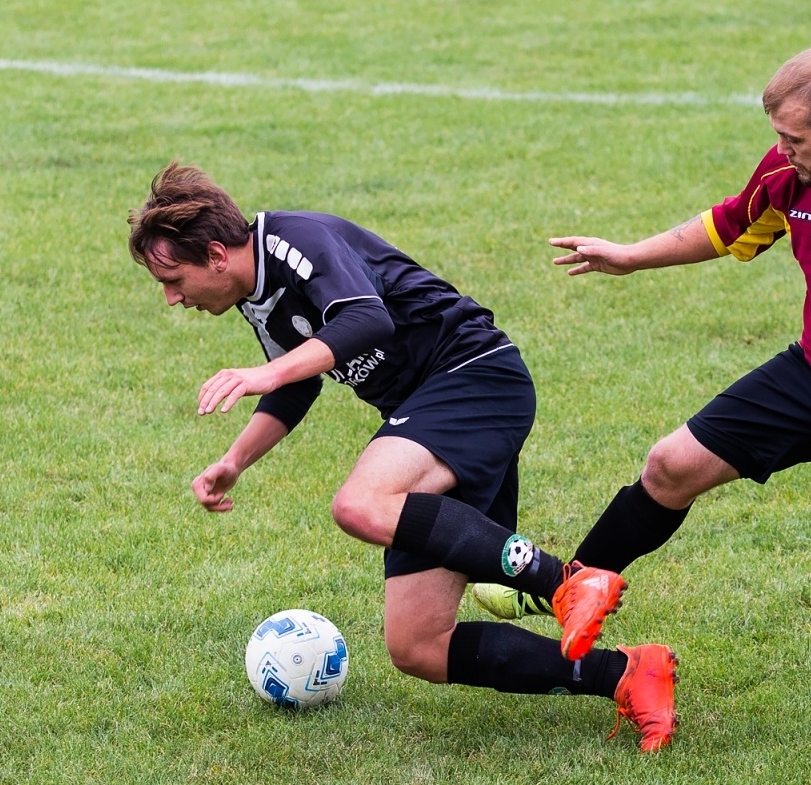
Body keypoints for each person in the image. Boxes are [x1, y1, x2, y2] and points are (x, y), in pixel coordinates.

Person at [128, 163, 677, 751]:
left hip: (473, 376)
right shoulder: (252, 290)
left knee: (360, 505)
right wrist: (235, 460)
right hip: (428, 409)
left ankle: (565, 581)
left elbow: (367, 318)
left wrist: (264, 369)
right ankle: (625, 674)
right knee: (417, 645)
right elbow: (296, 383)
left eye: (172, 277)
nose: (169, 297)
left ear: (216, 254)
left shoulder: (297, 241)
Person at [546, 47, 811, 773]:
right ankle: (564, 591)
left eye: (793, 139)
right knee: (670, 463)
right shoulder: (794, 170)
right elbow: (728, 224)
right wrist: (630, 255)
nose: (780, 152)